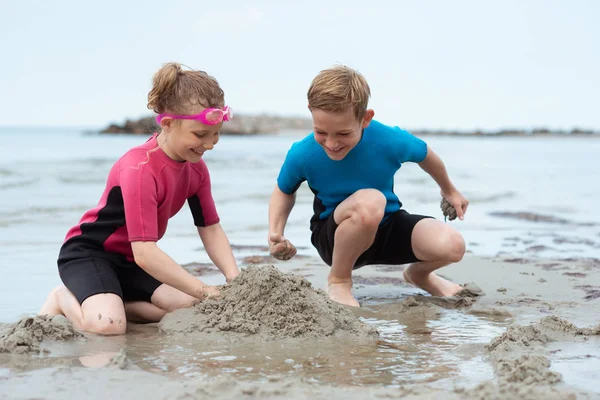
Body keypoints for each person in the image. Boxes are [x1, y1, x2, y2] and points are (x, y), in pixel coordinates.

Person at [39, 62, 240, 334]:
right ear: (168, 124)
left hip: (131, 262)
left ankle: (114, 301)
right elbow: (145, 252)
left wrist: (234, 278)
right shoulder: (140, 167)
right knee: (108, 327)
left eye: (216, 134)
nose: (210, 144)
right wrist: (205, 289)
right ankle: (62, 298)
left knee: (191, 306)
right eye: (200, 134)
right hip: (90, 255)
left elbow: (210, 227)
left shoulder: (197, 169)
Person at [268, 65, 469, 307]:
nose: (331, 143)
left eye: (343, 133)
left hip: (387, 226)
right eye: (321, 131)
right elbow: (284, 190)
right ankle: (339, 280)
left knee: (453, 245)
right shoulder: (303, 153)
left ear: (365, 119)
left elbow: (427, 156)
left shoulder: (388, 140)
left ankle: (419, 275)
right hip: (334, 238)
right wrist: (275, 233)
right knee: (370, 201)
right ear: (311, 112)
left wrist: (449, 190)